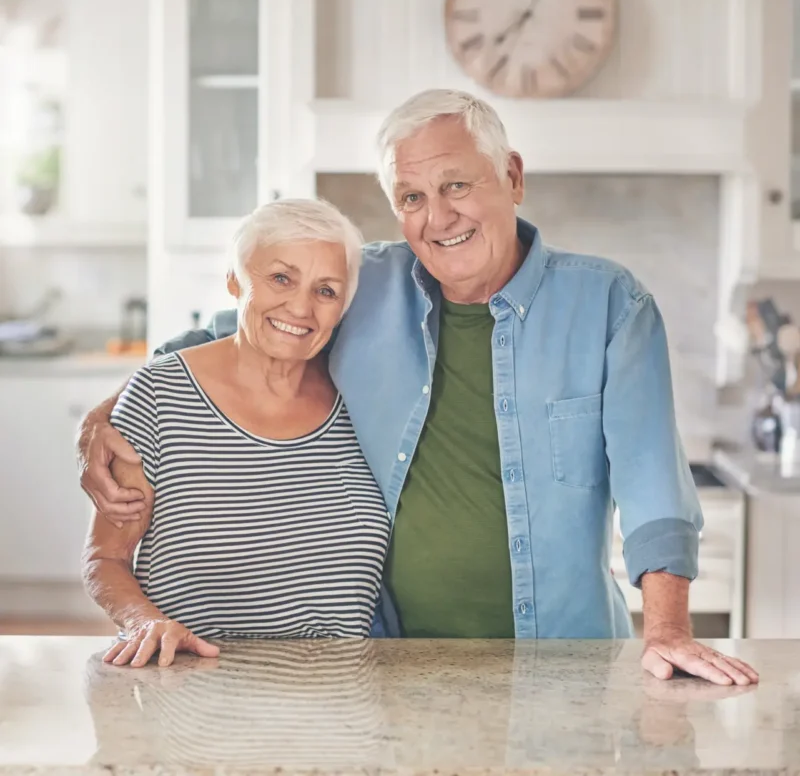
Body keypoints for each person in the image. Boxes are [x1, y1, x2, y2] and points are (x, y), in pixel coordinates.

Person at [78, 89, 758, 686]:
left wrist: (667, 629)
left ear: (512, 176)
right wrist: (106, 419)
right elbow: (238, 332)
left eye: (457, 186)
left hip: (562, 667)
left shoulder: (610, 304)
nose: (438, 217)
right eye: (412, 198)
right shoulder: (363, 286)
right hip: (392, 670)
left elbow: (653, 489)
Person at [81, 199, 391, 667]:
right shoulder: (160, 395)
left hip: (340, 703)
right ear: (234, 279)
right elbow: (105, 559)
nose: (301, 306)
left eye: (326, 291)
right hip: (191, 694)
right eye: (281, 278)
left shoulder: (364, 402)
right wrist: (143, 620)